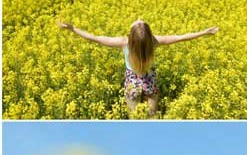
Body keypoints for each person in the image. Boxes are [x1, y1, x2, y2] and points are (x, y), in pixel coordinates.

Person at [58, 18, 219, 117]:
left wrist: (72, 29)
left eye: (138, 22)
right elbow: (181, 38)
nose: (139, 18)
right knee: (151, 116)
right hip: (150, 82)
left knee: (134, 117)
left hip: (132, 84)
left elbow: (96, 38)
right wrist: (204, 32)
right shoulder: (154, 41)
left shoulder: (124, 42)